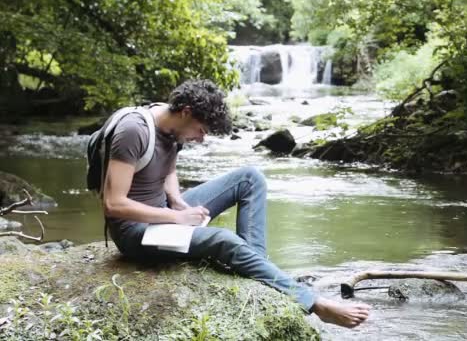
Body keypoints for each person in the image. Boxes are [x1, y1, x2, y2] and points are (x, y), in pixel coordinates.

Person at [102, 79, 371, 328]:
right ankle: (315, 304)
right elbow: (113, 204)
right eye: (201, 130)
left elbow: (167, 170)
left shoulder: (172, 126)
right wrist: (176, 218)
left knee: (250, 178)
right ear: (185, 112)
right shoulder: (134, 131)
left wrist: (177, 201)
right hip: (134, 232)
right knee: (222, 239)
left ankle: (255, 266)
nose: (201, 138)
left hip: (163, 210)